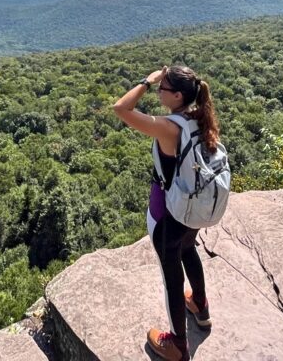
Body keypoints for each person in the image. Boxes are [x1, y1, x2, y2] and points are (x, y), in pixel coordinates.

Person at [111, 64, 219, 361]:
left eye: (164, 88)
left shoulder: (167, 127)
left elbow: (121, 108)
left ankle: (177, 346)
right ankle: (200, 306)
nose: (159, 91)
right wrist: (162, 81)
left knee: (172, 277)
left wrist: (146, 81)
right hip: (194, 208)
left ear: (178, 96)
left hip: (170, 212)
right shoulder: (199, 118)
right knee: (188, 251)